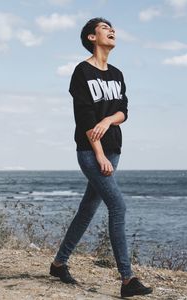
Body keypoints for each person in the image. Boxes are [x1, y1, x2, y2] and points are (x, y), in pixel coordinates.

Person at [50, 17, 153, 298]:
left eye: (113, 27)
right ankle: (127, 279)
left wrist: (108, 120)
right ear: (91, 37)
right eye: (105, 27)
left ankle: (59, 263)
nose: (112, 30)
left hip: (113, 150)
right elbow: (83, 116)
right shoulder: (81, 72)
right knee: (118, 207)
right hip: (90, 152)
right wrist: (98, 155)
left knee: (87, 210)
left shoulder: (117, 73)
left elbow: (124, 111)